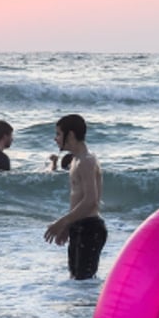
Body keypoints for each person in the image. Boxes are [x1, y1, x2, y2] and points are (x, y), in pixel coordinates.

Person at [44, 114, 106, 280]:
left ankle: (89, 306)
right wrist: (68, 226)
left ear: (70, 135)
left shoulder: (87, 160)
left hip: (90, 228)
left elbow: (90, 200)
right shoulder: (76, 160)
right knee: (76, 281)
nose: (55, 138)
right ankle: (81, 307)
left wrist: (61, 222)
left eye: (58, 134)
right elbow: (79, 200)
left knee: (83, 282)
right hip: (80, 226)